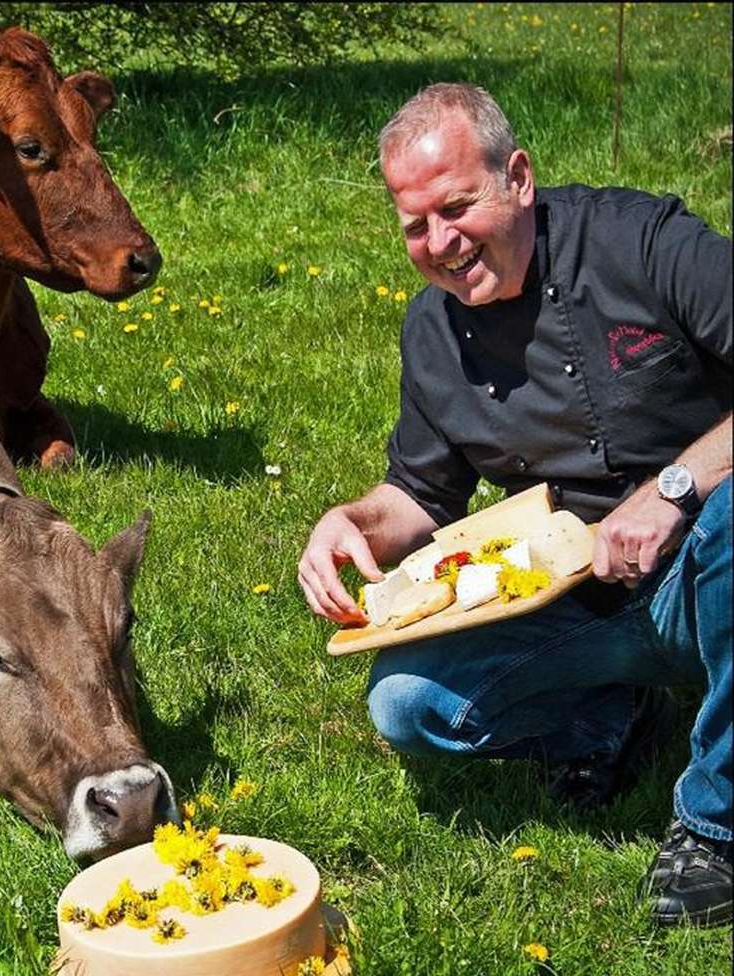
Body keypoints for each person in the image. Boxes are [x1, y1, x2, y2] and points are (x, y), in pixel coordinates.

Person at [297, 83, 731, 928]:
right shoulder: (432, 334)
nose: (441, 242)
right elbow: (419, 493)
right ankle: (607, 717)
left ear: (518, 179)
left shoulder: (645, 242)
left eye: (456, 207)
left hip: (713, 554)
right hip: (581, 596)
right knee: (407, 703)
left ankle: (716, 825)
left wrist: (675, 491)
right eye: (415, 226)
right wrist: (351, 520)